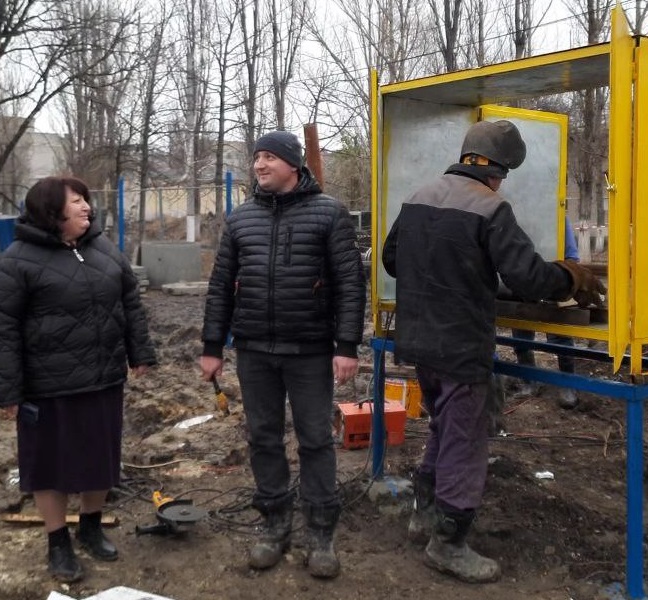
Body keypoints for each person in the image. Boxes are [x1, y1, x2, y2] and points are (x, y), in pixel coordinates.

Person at [381, 120, 605, 583]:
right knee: (466, 439)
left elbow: (390, 260)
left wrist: (447, 272)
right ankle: (448, 543)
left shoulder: (419, 196)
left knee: (445, 427)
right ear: (499, 170)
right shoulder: (490, 207)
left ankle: (423, 514)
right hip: (461, 345)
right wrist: (571, 276)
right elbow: (528, 279)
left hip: (420, 342)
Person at [200, 130, 366, 579]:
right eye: (256, 158)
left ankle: (320, 531)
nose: (259, 166)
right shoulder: (240, 220)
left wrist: (347, 345)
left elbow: (351, 284)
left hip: (309, 350)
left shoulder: (329, 214)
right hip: (254, 349)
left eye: (269, 157)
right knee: (263, 439)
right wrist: (212, 346)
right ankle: (274, 524)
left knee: (315, 440)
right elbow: (220, 287)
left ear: (294, 164)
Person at [0, 176, 156, 583]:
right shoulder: (16, 261)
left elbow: (130, 301)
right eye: (76, 201)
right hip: (48, 386)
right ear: (50, 212)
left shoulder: (104, 249)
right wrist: (7, 389)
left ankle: (91, 527)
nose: (86, 207)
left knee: (100, 460)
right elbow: (0, 329)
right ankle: (57, 540)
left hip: (102, 378)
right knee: (49, 467)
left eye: (85, 199)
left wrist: (140, 352)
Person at [510, 215, 581, 409]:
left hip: (552, 276)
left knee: (559, 335)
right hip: (526, 278)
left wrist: (561, 278)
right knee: (521, 328)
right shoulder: (521, 213)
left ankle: (567, 384)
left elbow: (572, 256)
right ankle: (528, 379)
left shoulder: (557, 215)